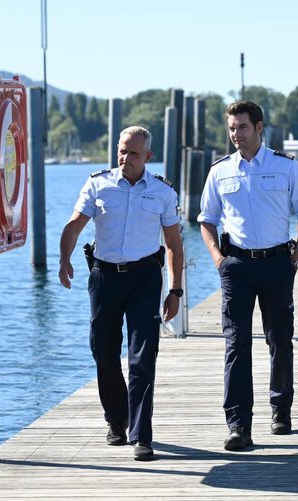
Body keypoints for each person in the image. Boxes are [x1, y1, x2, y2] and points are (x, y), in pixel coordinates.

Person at [197, 101, 298, 451]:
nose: (236, 134)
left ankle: (281, 407)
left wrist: (295, 261)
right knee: (236, 343)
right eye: (232, 128)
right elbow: (206, 220)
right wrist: (219, 260)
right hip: (236, 266)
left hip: (277, 263)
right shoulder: (220, 171)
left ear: (259, 127)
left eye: (242, 127)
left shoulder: (285, 167)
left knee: (279, 339)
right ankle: (238, 425)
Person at [59, 126, 184, 462]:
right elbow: (74, 225)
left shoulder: (162, 192)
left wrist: (175, 290)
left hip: (144, 278)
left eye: (132, 153)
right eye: (121, 151)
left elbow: (173, 244)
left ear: (148, 156)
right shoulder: (98, 184)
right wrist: (63, 258)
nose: (125, 158)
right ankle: (117, 419)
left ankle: (142, 434)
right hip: (105, 278)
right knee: (104, 352)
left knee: (143, 358)